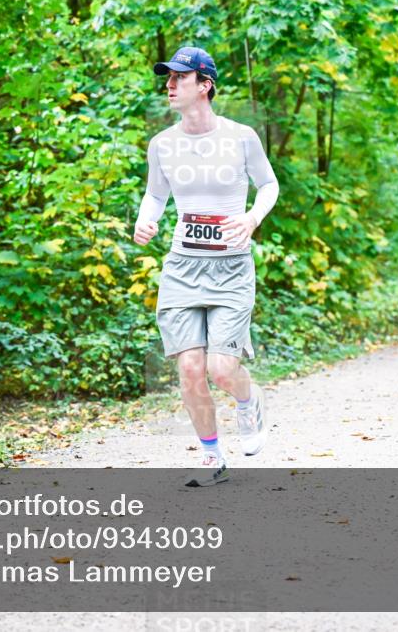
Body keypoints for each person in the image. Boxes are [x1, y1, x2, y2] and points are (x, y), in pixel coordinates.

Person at [133, 46, 279, 487]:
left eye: (180, 77)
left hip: (231, 268)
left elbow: (268, 184)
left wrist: (252, 218)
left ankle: (249, 401)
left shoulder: (241, 137)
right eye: (168, 78)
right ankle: (212, 455)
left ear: (205, 85)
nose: (170, 85)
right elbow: (156, 194)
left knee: (221, 368)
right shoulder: (162, 144)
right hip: (182, 267)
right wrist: (147, 217)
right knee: (191, 368)